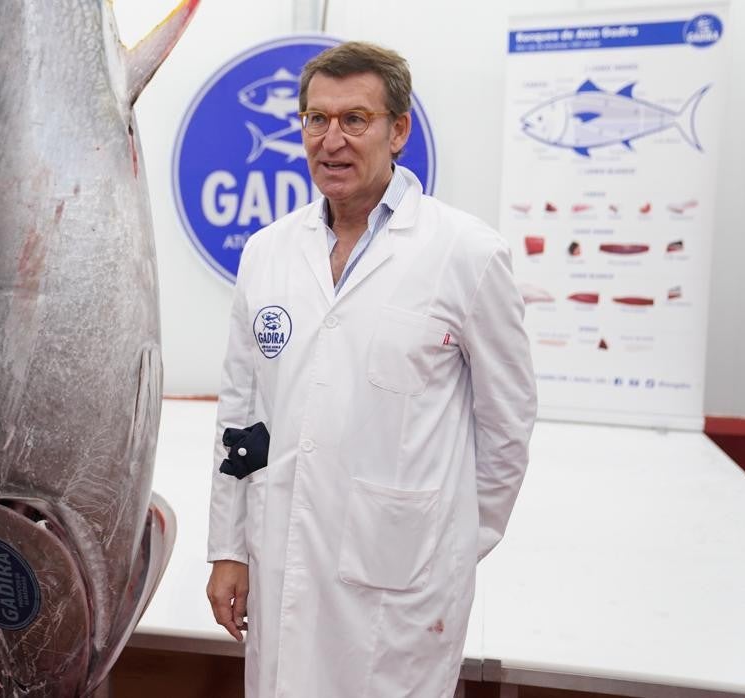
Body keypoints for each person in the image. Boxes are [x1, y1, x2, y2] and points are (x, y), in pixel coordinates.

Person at [205, 41, 537, 697]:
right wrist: (228, 548)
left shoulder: (465, 254)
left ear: (398, 130)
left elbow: (507, 425)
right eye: (315, 119)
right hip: (282, 560)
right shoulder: (268, 253)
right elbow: (242, 414)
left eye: (355, 119)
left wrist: (447, 539)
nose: (332, 140)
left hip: (404, 583)